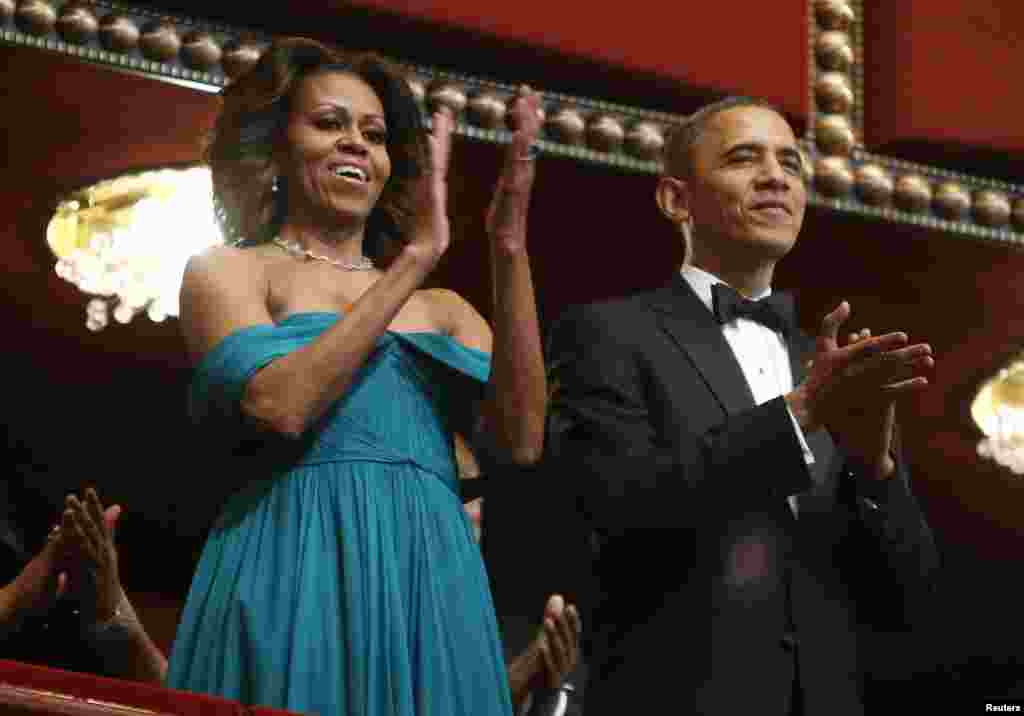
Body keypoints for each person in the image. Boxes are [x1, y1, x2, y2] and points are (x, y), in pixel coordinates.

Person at [165, 37, 546, 716]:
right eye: (329, 123)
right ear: (277, 146)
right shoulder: (228, 270)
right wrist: (416, 258)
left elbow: (521, 439)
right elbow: (280, 405)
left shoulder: (444, 309)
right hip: (293, 558)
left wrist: (508, 247)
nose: (356, 145)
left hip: (428, 577)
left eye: (373, 134)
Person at [544, 96, 938, 716]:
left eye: (791, 163)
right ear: (675, 199)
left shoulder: (831, 365)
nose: (775, 177)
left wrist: (875, 470)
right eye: (743, 158)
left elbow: (910, 599)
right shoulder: (606, 333)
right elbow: (618, 507)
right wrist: (797, 415)